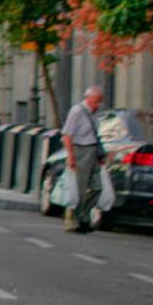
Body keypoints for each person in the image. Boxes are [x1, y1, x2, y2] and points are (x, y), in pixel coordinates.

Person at [61, 85, 105, 234]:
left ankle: (83, 216)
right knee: (78, 189)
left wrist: (100, 156)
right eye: (96, 101)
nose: (98, 105)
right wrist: (71, 156)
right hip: (80, 151)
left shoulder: (93, 113)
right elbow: (67, 135)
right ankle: (72, 220)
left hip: (92, 152)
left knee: (97, 187)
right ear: (88, 98)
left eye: (100, 101)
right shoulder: (77, 111)